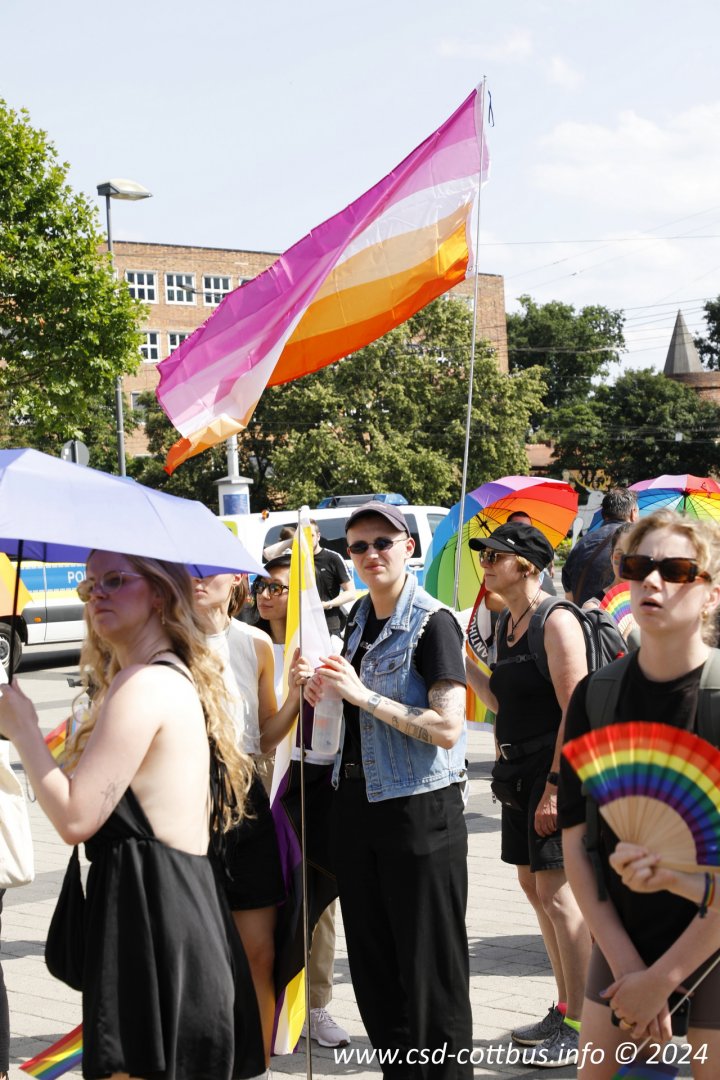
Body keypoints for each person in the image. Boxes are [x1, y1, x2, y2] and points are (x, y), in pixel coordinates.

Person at [0, 551, 266, 1080]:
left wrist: (24, 729)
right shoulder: (159, 675)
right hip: (169, 911)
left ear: (161, 593)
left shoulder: (143, 684)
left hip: (153, 919)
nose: (96, 593)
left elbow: (75, 819)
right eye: (89, 586)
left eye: (115, 580)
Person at [307, 500, 473, 1078]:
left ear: (409, 548)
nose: (370, 554)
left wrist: (362, 696)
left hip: (418, 808)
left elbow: (447, 728)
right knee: (375, 969)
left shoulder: (433, 622)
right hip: (355, 806)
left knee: (430, 971)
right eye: (358, 546)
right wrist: (324, 693)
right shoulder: (356, 618)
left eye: (383, 542)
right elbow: (350, 710)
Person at [559, 510, 720, 1078]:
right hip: (621, 935)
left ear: (711, 594)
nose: (652, 581)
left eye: (676, 570)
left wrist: (662, 980)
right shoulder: (596, 696)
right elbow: (577, 842)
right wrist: (630, 968)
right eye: (638, 566)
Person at [465, 522, 591, 1067]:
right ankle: (563, 1007)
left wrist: (556, 787)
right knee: (534, 889)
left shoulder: (555, 620)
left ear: (529, 567)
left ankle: (582, 1025)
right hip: (518, 775)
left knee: (560, 898)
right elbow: (503, 701)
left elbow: (575, 709)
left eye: (496, 556)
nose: (486, 564)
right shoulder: (507, 623)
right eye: (485, 556)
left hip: (553, 775)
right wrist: (467, 665)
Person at [193, 571, 299, 1068]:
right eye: (186, 568)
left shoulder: (253, 642)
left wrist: (295, 695)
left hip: (247, 800)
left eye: (205, 568)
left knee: (260, 953)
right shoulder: (163, 639)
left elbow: (264, 735)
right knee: (199, 954)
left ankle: (256, 1066)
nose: (195, 577)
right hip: (186, 804)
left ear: (235, 576)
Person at [251, 556, 351, 1050]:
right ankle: (262, 1001)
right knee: (259, 899)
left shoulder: (324, 647)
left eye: (279, 587)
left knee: (316, 898)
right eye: (262, 586)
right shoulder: (247, 644)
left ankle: (315, 1004)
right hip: (255, 781)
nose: (267, 595)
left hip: (304, 785)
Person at [262, 521, 356, 635]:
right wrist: (295, 539)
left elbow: (351, 593)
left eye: (310, 535)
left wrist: (327, 604)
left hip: (328, 625)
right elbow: (268, 554)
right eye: (304, 536)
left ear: (318, 536)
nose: (307, 539)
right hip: (300, 626)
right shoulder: (294, 558)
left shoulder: (332, 558)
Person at [562, 488, 639, 607]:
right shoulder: (635, 544)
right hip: (619, 613)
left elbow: (568, 593)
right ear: (633, 513)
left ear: (603, 514)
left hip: (582, 615)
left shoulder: (583, 542)